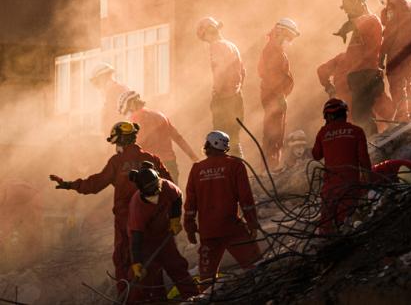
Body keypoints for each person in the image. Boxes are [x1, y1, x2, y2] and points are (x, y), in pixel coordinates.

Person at [49, 122, 170, 295]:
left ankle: (129, 298)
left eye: (116, 143)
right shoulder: (151, 158)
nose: (116, 147)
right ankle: (156, 299)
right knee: (151, 259)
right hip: (152, 221)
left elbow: (95, 184)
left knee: (124, 261)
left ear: (121, 141)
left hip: (126, 222)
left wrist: (69, 185)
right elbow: (170, 186)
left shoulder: (117, 162)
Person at [184, 131, 261, 286]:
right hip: (233, 229)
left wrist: (190, 227)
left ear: (209, 146)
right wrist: (252, 223)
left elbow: (190, 203)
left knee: (207, 280)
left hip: (208, 233)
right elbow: (245, 199)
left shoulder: (197, 169)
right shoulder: (235, 165)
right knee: (257, 268)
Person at [126, 163, 197, 303]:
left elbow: (177, 197)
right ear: (141, 189)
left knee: (176, 266)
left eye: (155, 183)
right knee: (152, 276)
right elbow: (136, 238)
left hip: (164, 236)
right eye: (150, 187)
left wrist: (175, 219)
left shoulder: (166, 186)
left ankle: (194, 298)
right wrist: (137, 262)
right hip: (145, 242)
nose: (156, 189)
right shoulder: (137, 206)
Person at [311, 99, 371, 234]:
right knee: (347, 227)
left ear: (329, 116)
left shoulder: (323, 132)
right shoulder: (357, 131)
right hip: (351, 187)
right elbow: (364, 161)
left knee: (327, 230)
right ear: (344, 114)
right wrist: (368, 187)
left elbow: (316, 155)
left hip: (330, 190)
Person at [372, 0, 411, 121]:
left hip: (399, 50)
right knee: (407, 82)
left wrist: (381, 56)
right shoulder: (408, 2)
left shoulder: (393, 5)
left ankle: (402, 117)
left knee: (396, 83)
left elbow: (390, 33)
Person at [118, 90, 199, 182]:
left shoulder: (135, 120)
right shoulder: (161, 116)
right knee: (172, 194)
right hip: (170, 165)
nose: (128, 115)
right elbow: (178, 138)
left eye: (126, 111)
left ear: (132, 104)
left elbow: (138, 144)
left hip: (150, 167)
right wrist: (193, 157)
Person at [337, 0, 385, 137]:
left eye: (350, 9)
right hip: (358, 74)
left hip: (366, 72)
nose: (347, 13)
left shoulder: (370, 20)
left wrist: (347, 25)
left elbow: (361, 21)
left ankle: (371, 141)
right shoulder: (359, 26)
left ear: (360, 5)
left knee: (362, 114)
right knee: (359, 114)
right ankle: (370, 141)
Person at [197, 16, 246, 158]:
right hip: (237, 97)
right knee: (234, 138)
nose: (205, 41)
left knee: (219, 139)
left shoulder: (216, 46)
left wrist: (217, 93)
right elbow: (243, 72)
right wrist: (237, 89)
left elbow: (220, 71)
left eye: (204, 37)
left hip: (224, 99)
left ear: (207, 32)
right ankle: (239, 168)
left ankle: (223, 172)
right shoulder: (232, 46)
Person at [258, 18, 300, 169]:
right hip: (274, 97)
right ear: (280, 32)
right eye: (288, 37)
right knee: (274, 134)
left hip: (273, 96)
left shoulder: (274, 49)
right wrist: (280, 96)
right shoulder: (272, 50)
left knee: (274, 134)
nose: (289, 41)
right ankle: (270, 167)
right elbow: (272, 75)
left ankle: (270, 166)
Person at [90, 63, 130, 134]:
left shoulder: (116, 90)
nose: (97, 85)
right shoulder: (112, 91)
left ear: (103, 77)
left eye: (97, 81)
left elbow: (118, 116)